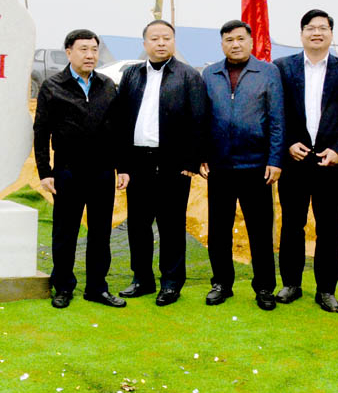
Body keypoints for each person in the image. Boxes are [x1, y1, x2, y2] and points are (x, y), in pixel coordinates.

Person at [273, 10, 338, 313]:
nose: (316, 33)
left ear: (331, 34)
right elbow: (276, 112)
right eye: (310, 28)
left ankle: (326, 290)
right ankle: (291, 284)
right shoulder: (283, 68)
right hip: (294, 161)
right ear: (301, 34)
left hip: (331, 163)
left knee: (329, 228)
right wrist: (287, 144)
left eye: (322, 28)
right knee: (292, 225)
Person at [33, 29, 129, 309]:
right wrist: (45, 171)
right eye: (83, 49)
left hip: (102, 172)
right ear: (69, 52)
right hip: (67, 171)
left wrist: (122, 167)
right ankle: (63, 287)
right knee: (65, 232)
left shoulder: (107, 86)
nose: (90, 55)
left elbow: (118, 130)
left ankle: (97, 288)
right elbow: (41, 132)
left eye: (94, 50)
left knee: (101, 232)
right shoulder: (53, 86)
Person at [114, 20, 208, 306]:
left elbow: (199, 120)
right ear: (145, 44)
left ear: (173, 42)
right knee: (138, 225)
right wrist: (123, 165)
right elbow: (120, 121)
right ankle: (141, 279)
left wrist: (191, 161)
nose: (161, 43)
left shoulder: (188, 76)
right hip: (138, 162)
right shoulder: (131, 74)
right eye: (154, 38)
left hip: (173, 163)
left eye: (166, 38)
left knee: (171, 225)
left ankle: (171, 283)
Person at [200, 20, 285, 311]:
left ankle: (264, 287)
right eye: (228, 40)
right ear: (221, 44)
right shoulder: (210, 73)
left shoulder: (268, 72)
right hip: (220, 166)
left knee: (260, 231)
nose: (234, 44)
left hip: (257, 167)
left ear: (251, 41)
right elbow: (202, 118)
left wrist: (275, 159)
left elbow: (277, 120)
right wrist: (202, 155)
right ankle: (222, 283)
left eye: (239, 39)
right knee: (218, 230)